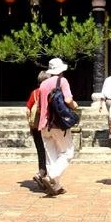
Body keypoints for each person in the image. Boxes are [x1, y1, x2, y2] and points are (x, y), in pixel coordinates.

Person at [38, 57, 79, 196]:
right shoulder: (62, 81)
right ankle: (51, 176)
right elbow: (68, 99)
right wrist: (74, 106)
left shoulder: (43, 84)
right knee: (67, 153)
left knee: (51, 156)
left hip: (44, 124)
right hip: (58, 124)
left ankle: (56, 186)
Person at [26, 71, 49, 191]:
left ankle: (41, 173)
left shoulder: (34, 93)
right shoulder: (48, 92)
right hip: (46, 126)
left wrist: (31, 125)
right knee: (49, 152)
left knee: (41, 152)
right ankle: (43, 175)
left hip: (35, 127)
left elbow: (28, 110)